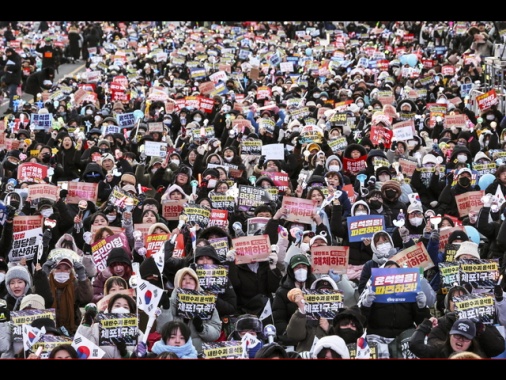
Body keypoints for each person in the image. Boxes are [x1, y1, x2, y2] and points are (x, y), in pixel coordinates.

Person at [155, 267, 222, 357]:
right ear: (177, 282)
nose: (188, 282)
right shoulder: (169, 302)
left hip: (199, 354)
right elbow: (162, 330)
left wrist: (202, 328)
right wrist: (166, 309)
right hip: (173, 355)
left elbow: (216, 333)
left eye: (191, 279)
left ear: (196, 282)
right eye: (183, 279)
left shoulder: (207, 304)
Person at [77, 293, 140, 358]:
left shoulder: (137, 333)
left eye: (125, 307)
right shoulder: (97, 328)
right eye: (117, 306)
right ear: (110, 309)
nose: (121, 309)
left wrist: (125, 354)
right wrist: (86, 325)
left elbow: (141, 354)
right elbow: (81, 347)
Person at [41, 257, 93, 336]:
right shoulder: (47, 285)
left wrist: (82, 278)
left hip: (72, 330)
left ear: (70, 271)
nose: (62, 271)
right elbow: (39, 297)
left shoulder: (75, 284)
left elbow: (86, 298)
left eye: (66, 269)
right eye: (58, 268)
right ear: (52, 271)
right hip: (49, 332)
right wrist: (43, 277)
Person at [409, 317, 487, 358]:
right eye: (457, 335)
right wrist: (426, 324)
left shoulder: (476, 357)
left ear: (471, 342)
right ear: (450, 336)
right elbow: (414, 345)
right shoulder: (438, 350)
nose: (460, 340)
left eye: (466, 337)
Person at [1, 47, 22, 115]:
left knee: (12, 94)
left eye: (9, 53)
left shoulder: (16, 58)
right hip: (8, 79)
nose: (8, 54)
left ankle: (11, 108)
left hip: (14, 79)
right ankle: (16, 106)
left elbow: (17, 67)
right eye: (7, 53)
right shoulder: (9, 59)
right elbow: (4, 64)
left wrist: (8, 68)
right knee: (14, 94)